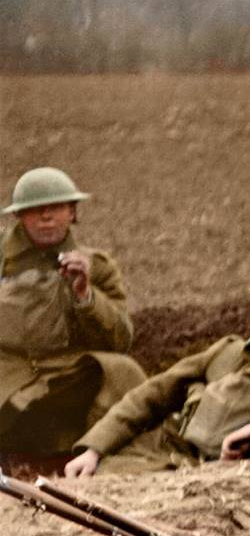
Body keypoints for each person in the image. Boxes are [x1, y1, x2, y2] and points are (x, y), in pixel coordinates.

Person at [62, 288, 250, 476]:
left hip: (218, 478)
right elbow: (152, 395)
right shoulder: (227, 354)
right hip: (164, 454)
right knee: (94, 480)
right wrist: (94, 448)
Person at [0, 167, 145, 456]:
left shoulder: (96, 266)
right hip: (6, 370)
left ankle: (94, 450)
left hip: (63, 373)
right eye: (35, 210)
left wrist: (85, 296)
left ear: (72, 212)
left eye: (56, 207)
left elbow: (120, 341)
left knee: (123, 371)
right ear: (19, 216)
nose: (46, 217)